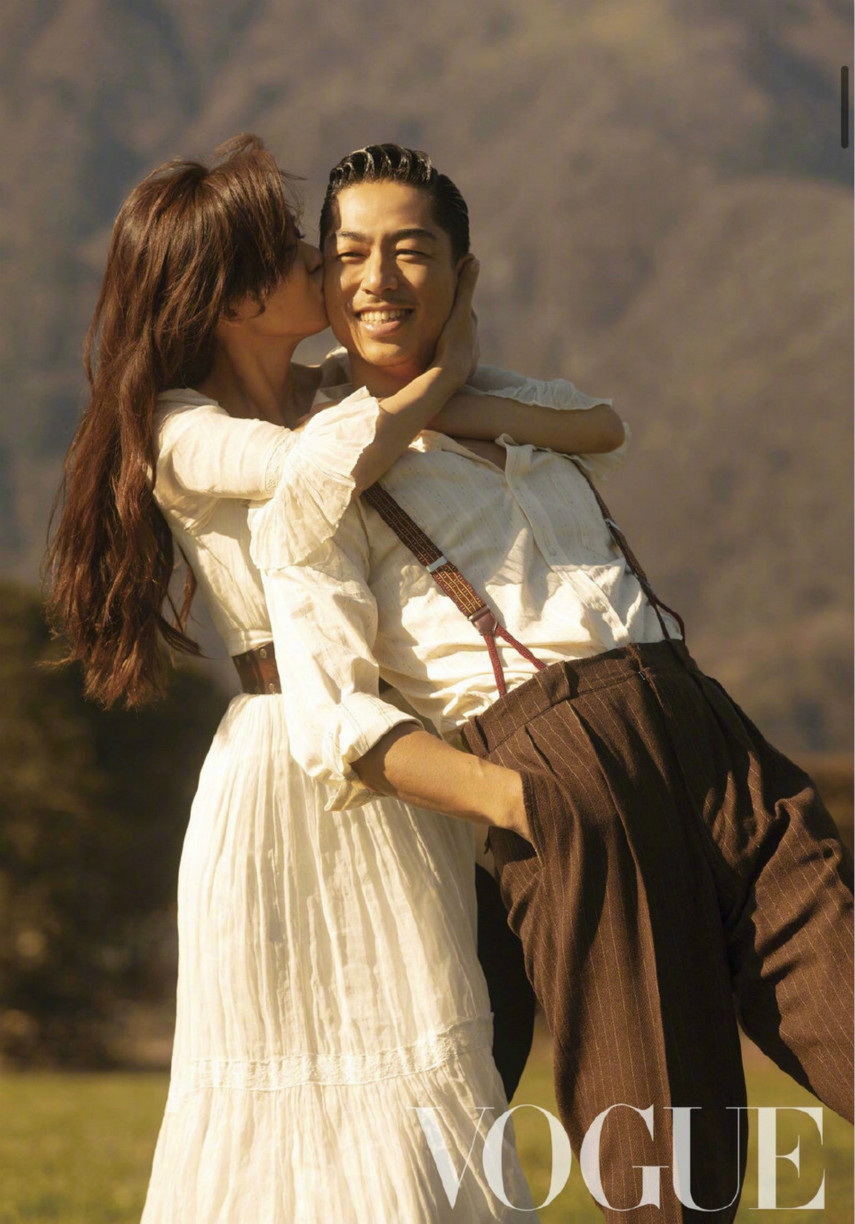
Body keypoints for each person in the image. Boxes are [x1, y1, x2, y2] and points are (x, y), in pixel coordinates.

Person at [249, 144, 855, 1222]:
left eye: (410, 250)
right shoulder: (314, 471)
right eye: (349, 255)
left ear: (463, 272)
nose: (378, 278)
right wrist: (527, 803)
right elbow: (333, 719)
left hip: (706, 728)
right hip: (560, 766)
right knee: (668, 1155)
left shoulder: (522, 404)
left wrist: (450, 388)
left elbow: (604, 424)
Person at [46, 135, 626, 1221]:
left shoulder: (330, 396)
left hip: (396, 757)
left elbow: (588, 425)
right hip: (287, 762)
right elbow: (315, 474)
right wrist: (444, 371)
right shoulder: (181, 427)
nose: (319, 263)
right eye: (286, 250)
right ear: (230, 298)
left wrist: (456, 386)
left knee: (419, 1057)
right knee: (301, 1082)